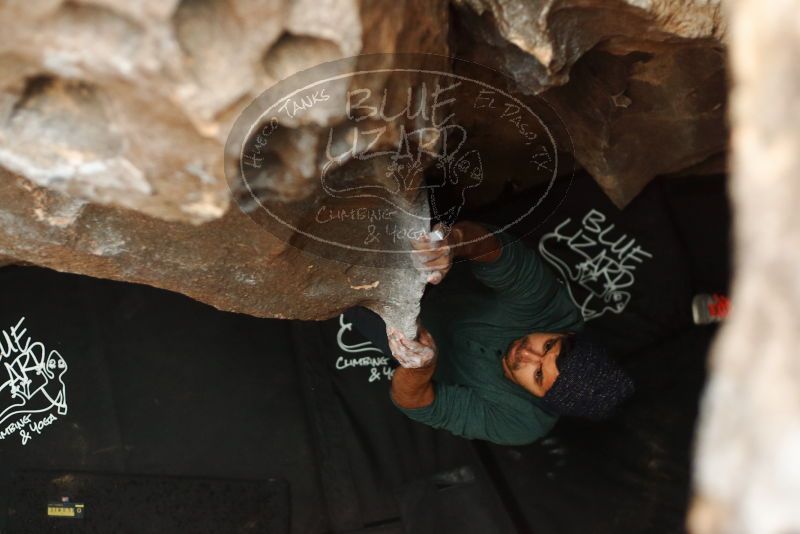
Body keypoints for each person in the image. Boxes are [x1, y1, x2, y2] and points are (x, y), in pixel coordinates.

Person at [386, 221, 635, 446]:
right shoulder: (552, 309)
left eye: (538, 374)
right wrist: (450, 243)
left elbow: (414, 403)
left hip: (398, 338)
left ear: (542, 399)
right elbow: (492, 249)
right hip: (429, 276)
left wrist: (419, 367)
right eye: (548, 346)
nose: (527, 352)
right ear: (564, 333)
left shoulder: (521, 423)